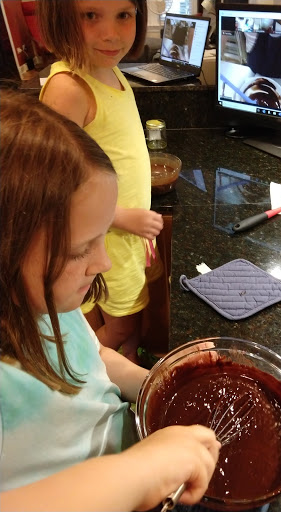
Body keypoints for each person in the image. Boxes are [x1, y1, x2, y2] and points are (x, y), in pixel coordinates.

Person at [0, 89, 220, 511]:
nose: (102, 262)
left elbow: (94, 358)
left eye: (102, 237)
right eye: (79, 250)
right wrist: (143, 470)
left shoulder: (53, 305)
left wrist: (156, 384)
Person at [37, 0, 164, 364]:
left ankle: (124, 366)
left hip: (127, 238)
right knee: (119, 326)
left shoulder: (110, 69)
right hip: (106, 239)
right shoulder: (70, 90)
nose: (111, 34)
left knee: (133, 320)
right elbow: (56, 190)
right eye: (90, 15)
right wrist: (121, 217)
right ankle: (91, 373)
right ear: (61, 19)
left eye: (123, 15)